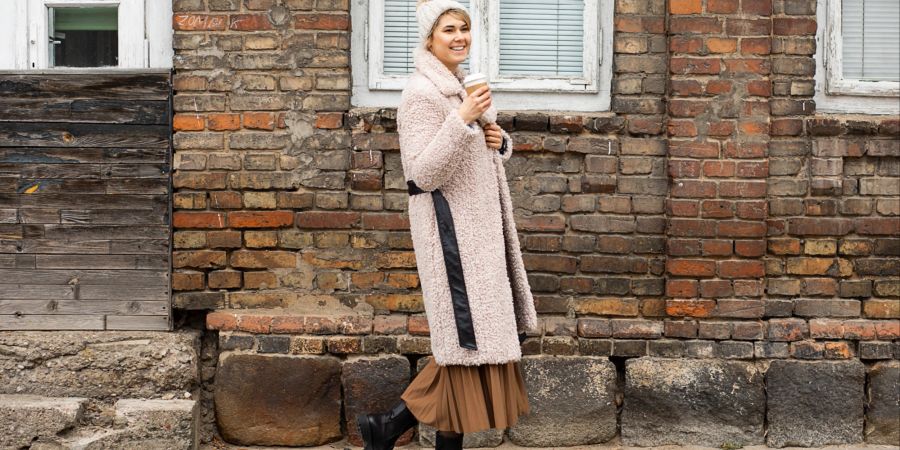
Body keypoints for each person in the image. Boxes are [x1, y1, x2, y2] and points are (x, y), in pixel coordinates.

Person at [355, 0, 538, 449]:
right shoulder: (421, 94)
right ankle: (389, 425)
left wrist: (498, 140)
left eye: (464, 28)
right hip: (451, 237)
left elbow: (470, 160)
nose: (459, 37)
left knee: (467, 350)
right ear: (429, 39)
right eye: (448, 30)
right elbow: (422, 173)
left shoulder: (460, 88)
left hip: (479, 234)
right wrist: (463, 120)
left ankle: (387, 427)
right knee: (462, 347)